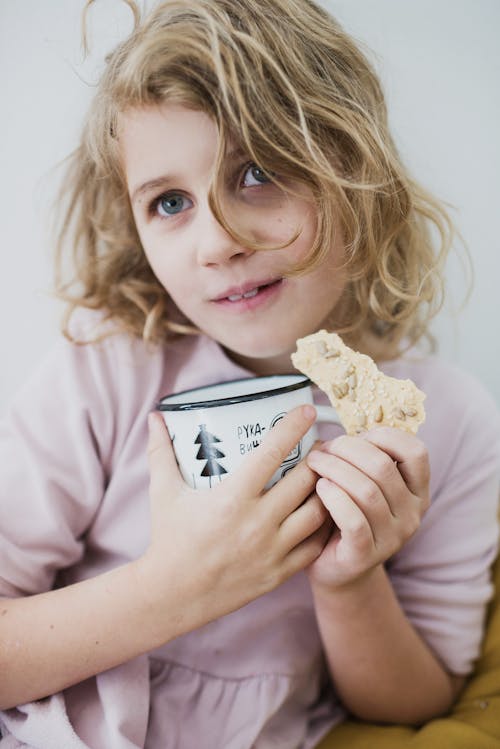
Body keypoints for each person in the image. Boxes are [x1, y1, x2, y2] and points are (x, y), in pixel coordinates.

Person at [1, 0, 499, 746]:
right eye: (169, 202)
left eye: (258, 173)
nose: (218, 241)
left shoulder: (446, 418)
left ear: (356, 173)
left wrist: (351, 580)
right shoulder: (103, 374)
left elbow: (417, 696)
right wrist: (174, 588)